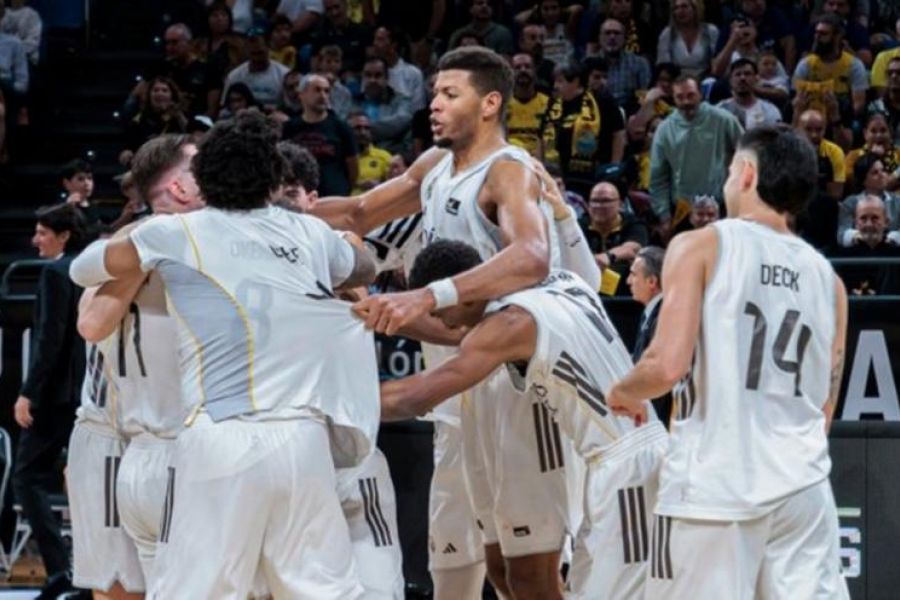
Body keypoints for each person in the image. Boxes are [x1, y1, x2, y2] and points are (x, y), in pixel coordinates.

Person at [70, 110, 380, 598]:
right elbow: (363, 267)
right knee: (322, 589)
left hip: (219, 436)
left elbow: (82, 270)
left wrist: (141, 229)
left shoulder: (175, 233)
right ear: (274, 179)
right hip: (303, 439)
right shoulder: (308, 232)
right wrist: (337, 240)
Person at [311, 46, 567, 600]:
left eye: (451, 94)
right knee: (496, 568)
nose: (435, 104)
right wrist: (262, 214)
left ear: (490, 103)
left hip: (514, 383)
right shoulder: (434, 165)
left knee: (531, 573)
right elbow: (359, 213)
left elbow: (532, 257)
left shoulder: (509, 170)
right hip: (458, 387)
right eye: (434, 94)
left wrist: (427, 297)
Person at [608, 126, 851, 599]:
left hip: (714, 486)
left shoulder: (701, 245)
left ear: (747, 173)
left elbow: (665, 365)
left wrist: (623, 391)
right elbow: (825, 408)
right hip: (804, 488)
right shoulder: (830, 280)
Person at [379, 239, 667, 599]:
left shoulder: (510, 324)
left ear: (462, 296)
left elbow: (415, 396)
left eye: (438, 312)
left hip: (626, 463)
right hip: (615, 457)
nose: (439, 323)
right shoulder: (561, 280)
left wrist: (337, 399)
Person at [70, 135, 204, 598]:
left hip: (181, 438)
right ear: (175, 185)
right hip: (115, 435)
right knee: (124, 589)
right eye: (198, 167)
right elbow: (91, 323)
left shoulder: (206, 239)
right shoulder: (132, 243)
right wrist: (145, 252)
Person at [14, 203, 88, 599]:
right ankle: (84, 574)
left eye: (43, 233)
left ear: (64, 236)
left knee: (26, 477)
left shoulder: (57, 273)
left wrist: (29, 392)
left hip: (56, 396)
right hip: (86, 395)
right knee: (82, 481)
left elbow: (49, 340)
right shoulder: (90, 271)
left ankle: (60, 569)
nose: (35, 240)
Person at [649, 75, 743, 239]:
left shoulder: (724, 120)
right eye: (680, 97)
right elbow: (658, 176)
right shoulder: (664, 130)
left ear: (701, 94)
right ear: (673, 99)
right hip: (682, 209)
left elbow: (747, 156)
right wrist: (664, 215)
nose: (686, 101)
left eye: (691, 95)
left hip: (722, 206)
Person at [283, 73, 358, 195]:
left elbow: (353, 166)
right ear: (301, 94)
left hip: (334, 196)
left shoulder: (341, 127)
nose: (323, 96)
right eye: (317, 90)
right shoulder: (289, 128)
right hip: (300, 196)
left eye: (326, 91)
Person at [627, 245, 672, 426]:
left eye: (633, 274)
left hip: (659, 423)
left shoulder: (664, 316)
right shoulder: (652, 312)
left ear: (652, 281)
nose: (628, 281)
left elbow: (658, 375)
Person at [223, 28, 290, 110]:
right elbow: (225, 108)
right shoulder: (234, 76)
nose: (257, 58)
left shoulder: (284, 74)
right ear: (246, 51)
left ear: (268, 48)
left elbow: (291, 106)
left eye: (260, 53)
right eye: (253, 54)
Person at [715, 59, 783, 130]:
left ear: (756, 79)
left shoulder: (769, 110)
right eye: (738, 74)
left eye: (747, 74)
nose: (742, 78)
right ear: (730, 80)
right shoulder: (720, 109)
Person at [506, 52, 549, 157]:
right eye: (517, 67)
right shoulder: (502, 104)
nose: (523, 70)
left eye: (527, 67)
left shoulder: (548, 103)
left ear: (535, 71)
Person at [349, 111, 392, 194]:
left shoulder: (384, 156)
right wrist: (358, 185)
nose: (363, 132)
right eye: (357, 128)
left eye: (366, 128)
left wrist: (379, 185)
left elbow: (395, 185)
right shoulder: (339, 158)